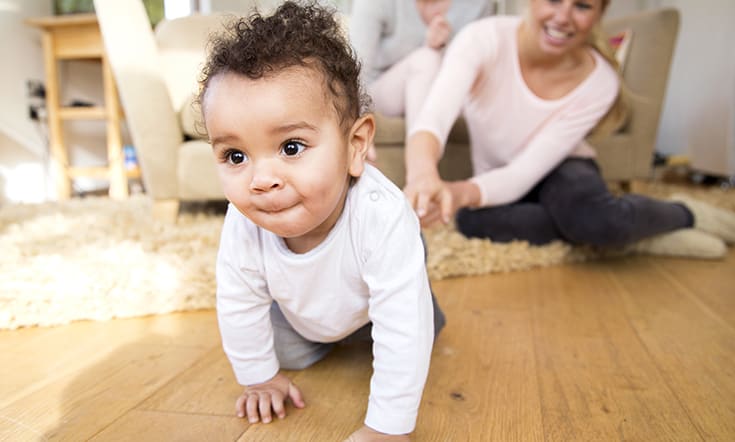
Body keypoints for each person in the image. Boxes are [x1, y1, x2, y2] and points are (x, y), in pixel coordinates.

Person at [197, 2, 444, 440]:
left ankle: (412, 301)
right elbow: (238, 299)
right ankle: (328, 336)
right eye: (236, 156)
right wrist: (259, 377)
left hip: (376, 296)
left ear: (356, 146)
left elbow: (403, 331)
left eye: (291, 147)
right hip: (303, 311)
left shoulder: (380, 213)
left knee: (412, 329)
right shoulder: (243, 220)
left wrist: (387, 428)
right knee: (280, 354)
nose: (262, 180)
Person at [402, 0, 735, 258]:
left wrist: (458, 192)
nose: (563, 17)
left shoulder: (600, 81)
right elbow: (432, 120)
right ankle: (630, 237)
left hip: (564, 168)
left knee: (595, 219)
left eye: (582, 5)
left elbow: (525, 172)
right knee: (472, 221)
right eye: (553, 0)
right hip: (498, 174)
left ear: (599, 13)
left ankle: (683, 213)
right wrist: (423, 176)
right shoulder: (483, 38)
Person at [349, 0, 494, 161]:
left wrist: (439, 47)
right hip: (381, 91)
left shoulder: (477, 6)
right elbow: (355, 69)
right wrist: (357, 123)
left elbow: (476, 76)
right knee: (425, 59)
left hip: (443, 93)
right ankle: (420, 170)